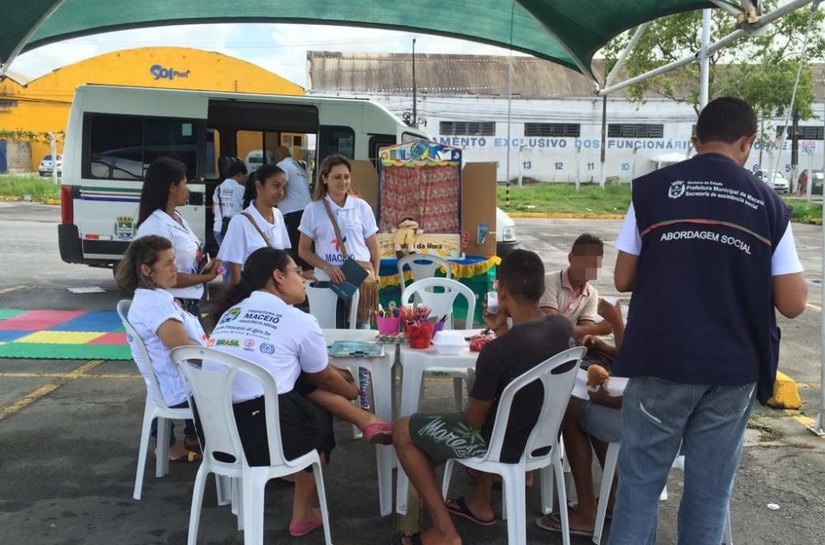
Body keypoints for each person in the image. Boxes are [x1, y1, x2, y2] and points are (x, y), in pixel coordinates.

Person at [608, 97, 807, 545]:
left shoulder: (653, 190)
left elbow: (623, 278)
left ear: (695, 141)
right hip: (731, 369)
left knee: (639, 486)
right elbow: (793, 304)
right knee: (709, 495)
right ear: (748, 142)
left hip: (660, 360)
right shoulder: (768, 203)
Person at [390, 249, 576, 545]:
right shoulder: (563, 328)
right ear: (541, 289)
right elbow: (524, 361)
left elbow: (472, 422)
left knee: (403, 430)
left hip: (500, 445)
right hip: (543, 438)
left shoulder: (496, 352)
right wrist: (501, 328)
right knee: (496, 409)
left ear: (501, 292)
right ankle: (480, 503)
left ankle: (444, 531)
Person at [208, 248, 393, 536]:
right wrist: (352, 390)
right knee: (313, 411)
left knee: (292, 384)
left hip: (216, 432)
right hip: (262, 436)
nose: (303, 279)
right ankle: (303, 513)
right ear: (278, 276)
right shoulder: (298, 320)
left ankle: (364, 420)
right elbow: (323, 377)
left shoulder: (232, 313)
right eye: (297, 271)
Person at [536, 297, 624, 537]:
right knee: (591, 408)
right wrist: (602, 345)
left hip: (651, 419)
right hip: (684, 422)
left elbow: (637, 366)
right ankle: (615, 496)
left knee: (574, 411)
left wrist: (616, 324)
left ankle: (587, 512)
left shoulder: (663, 308)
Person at [114, 235, 208, 462]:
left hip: (180, 383)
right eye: (168, 263)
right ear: (146, 270)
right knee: (254, 390)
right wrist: (225, 362)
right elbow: (185, 351)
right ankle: (236, 456)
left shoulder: (154, 298)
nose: (175, 269)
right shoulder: (155, 305)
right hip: (185, 389)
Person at [298, 154, 381, 408]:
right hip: (328, 281)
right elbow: (304, 250)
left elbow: (373, 246)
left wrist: (375, 276)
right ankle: (336, 391)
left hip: (360, 278)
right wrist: (327, 266)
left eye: (346, 177)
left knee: (362, 335)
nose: (342, 182)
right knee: (329, 336)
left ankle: (363, 390)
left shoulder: (361, 207)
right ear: (324, 178)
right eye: (336, 177)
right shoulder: (313, 210)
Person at [135, 157, 221, 319]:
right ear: (172, 187)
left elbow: (184, 260)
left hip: (188, 304)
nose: (188, 190)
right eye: (185, 183)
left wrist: (203, 266)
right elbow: (163, 275)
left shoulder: (178, 218)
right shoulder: (156, 225)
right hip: (172, 306)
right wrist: (205, 277)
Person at [217, 165, 291, 286]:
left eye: (284, 187)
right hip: (251, 293)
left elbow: (282, 254)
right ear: (259, 186)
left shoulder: (278, 215)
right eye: (276, 186)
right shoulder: (239, 222)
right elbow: (235, 270)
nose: (281, 192)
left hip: (276, 291)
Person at [540, 234, 612, 340]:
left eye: (593, 264)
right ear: (570, 258)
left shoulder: (592, 293)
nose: (588, 268)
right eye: (584, 262)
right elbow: (553, 327)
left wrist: (592, 332)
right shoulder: (549, 281)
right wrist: (598, 329)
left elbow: (586, 331)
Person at [274, 145, 312, 268]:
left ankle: (299, 277)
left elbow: (281, 184)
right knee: (306, 248)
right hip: (306, 210)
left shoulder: (282, 166)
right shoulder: (299, 167)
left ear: (278, 156)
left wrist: (276, 198)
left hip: (293, 213)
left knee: (295, 250)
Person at [212, 158, 248, 246]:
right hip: (235, 229)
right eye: (244, 176)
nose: (244, 179)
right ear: (239, 174)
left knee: (223, 257)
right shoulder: (241, 189)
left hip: (218, 228)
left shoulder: (219, 188)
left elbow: (214, 210)